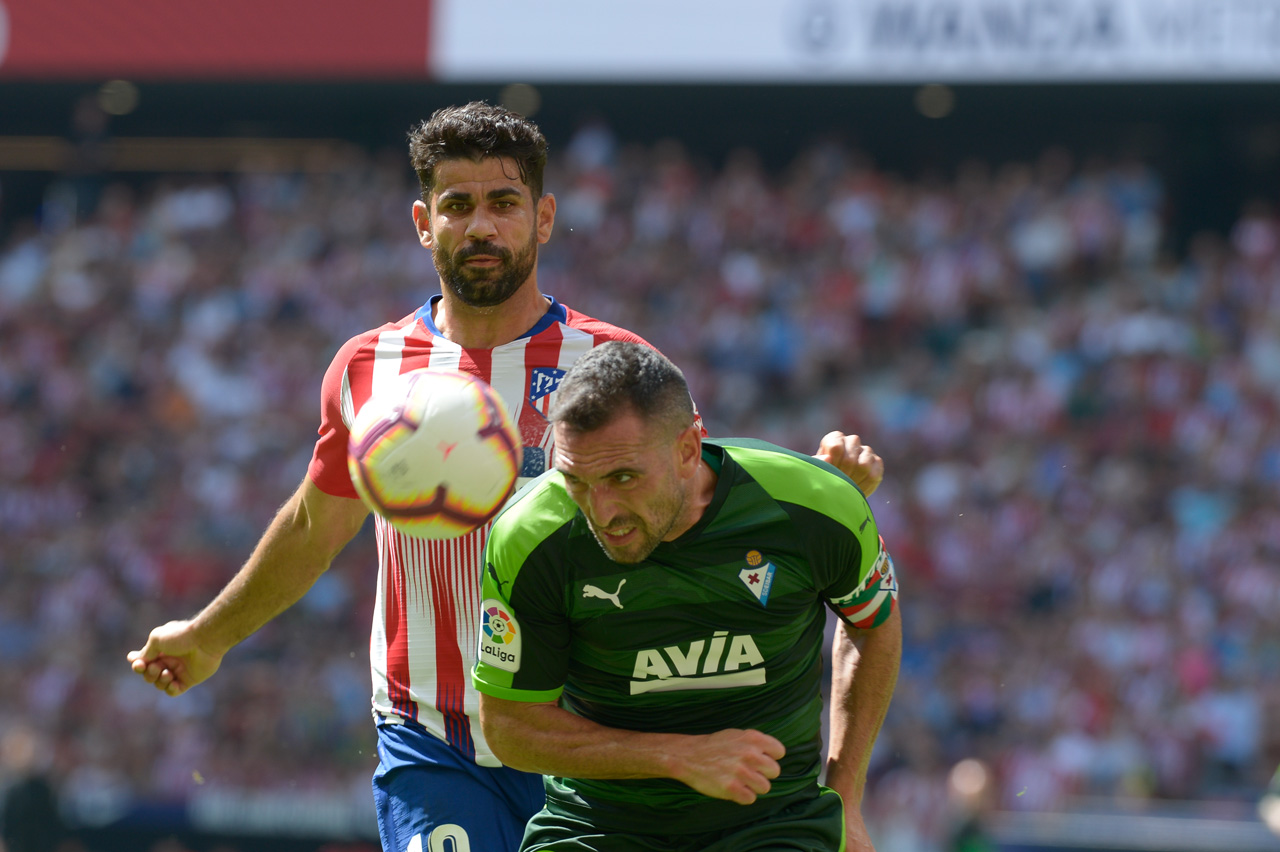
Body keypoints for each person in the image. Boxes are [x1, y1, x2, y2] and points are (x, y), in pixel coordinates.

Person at [127, 102, 885, 852]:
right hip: (435, 741)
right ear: (423, 223)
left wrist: (820, 492)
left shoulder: (614, 363)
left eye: (504, 203)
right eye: (457, 206)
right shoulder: (367, 368)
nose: (481, 226)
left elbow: (689, 508)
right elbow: (312, 527)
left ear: (543, 218)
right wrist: (208, 635)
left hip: (593, 741)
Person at [474, 341, 901, 852]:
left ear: (688, 451)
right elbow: (510, 727)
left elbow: (873, 623)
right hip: (597, 825)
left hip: (777, 822)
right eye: (576, 481)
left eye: (623, 478)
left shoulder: (815, 504)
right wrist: (676, 756)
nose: (601, 511)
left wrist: (846, 796)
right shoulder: (531, 537)